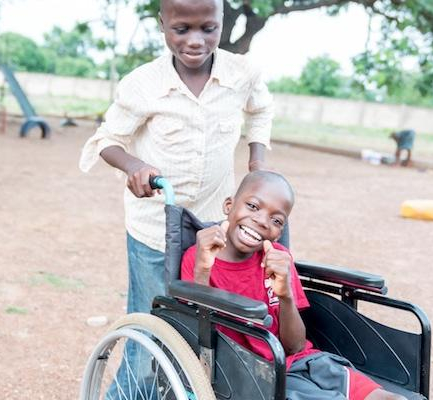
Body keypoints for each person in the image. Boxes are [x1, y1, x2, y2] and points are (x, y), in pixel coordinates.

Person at [78, 0, 273, 396]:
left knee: (204, 330)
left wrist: (257, 162)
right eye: (181, 29)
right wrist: (134, 166)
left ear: (221, 22)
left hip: (214, 228)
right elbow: (106, 140)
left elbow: (261, 111)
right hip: (155, 230)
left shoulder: (242, 74)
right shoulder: (143, 84)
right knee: (151, 332)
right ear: (163, 23)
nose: (195, 41)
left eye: (208, 28)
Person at [181, 171, 407, 400]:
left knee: (390, 398)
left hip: (302, 362)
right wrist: (203, 271)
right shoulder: (199, 257)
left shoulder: (279, 259)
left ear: (279, 233)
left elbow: (296, 346)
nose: (262, 221)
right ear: (229, 205)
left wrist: (285, 295)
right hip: (253, 376)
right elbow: (192, 333)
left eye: (276, 220)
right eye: (252, 206)